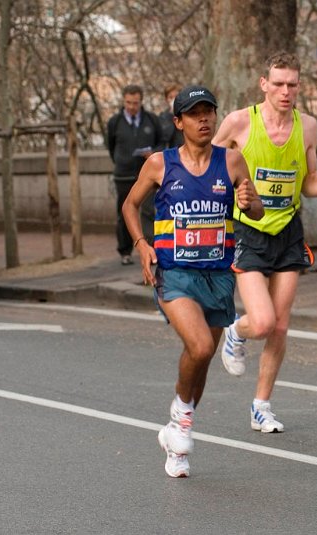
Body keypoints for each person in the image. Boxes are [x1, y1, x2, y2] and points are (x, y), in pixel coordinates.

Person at [122, 85, 263, 478]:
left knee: (200, 365)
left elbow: (255, 210)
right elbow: (130, 204)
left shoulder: (232, 162)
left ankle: (176, 436)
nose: (204, 119)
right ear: (178, 122)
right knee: (200, 347)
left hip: (217, 276)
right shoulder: (160, 164)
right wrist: (141, 245)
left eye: (209, 112)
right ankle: (180, 422)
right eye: (195, 113)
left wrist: (250, 201)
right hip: (174, 272)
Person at [212, 51, 317, 433]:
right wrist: (232, 193)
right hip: (249, 230)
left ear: (299, 86)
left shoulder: (308, 127)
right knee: (264, 321)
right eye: (279, 84)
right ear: (264, 84)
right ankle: (236, 331)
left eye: (293, 84)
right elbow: (207, 163)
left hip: (288, 230)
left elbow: (308, 182)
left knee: (281, 326)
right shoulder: (240, 122)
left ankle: (261, 406)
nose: (286, 91)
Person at [106, 84, 164, 265]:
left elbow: (161, 142)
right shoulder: (115, 121)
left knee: (148, 212)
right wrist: (120, 160)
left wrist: (153, 153)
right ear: (124, 101)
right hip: (123, 174)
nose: (132, 106)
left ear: (141, 101)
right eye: (129, 103)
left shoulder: (151, 120)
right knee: (124, 211)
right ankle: (125, 251)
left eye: (135, 103)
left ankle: (151, 249)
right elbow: (111, 145)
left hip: (147, 174)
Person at [158, 83, 185, 148]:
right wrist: (171, 114)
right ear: (166, 100)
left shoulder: (186, 113)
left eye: (176, 96)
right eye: (170, 97)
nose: (174, 100)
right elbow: (165, 136)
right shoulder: (163, 116)